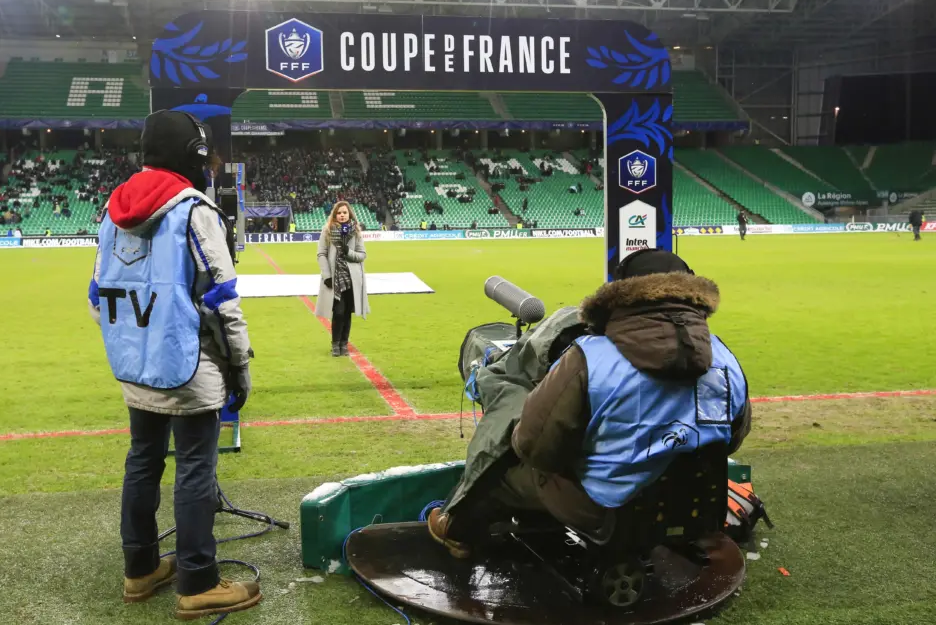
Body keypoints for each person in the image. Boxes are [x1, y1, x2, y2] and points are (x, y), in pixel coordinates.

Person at [428, 249, 752, 558]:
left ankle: (455, 530)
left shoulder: (589, 356)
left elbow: (535, 446)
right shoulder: (726, 358)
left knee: (503, 472)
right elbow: (732, 438)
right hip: (694, 505)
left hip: (604, 509)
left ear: (619, 294)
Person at [87, 110, 260, 619]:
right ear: (193, 156)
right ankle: (198, 581)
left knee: (142, 461)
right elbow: (224, 301)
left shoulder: (110, 210)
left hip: (133, 367)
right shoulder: (194, 210)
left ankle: (139, 570)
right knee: (194, 470)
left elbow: (97, 296)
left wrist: (134, 344)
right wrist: (240, 368)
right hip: (189, 367)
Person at [315, 201, 370, 357]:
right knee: (338, 312)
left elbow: (362, 255)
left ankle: (344, 344)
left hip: (353, 280)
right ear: (335, 215)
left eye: (345, 212)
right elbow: (321, 254)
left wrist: (348, 252)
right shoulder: (326, 232)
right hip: (334, 279)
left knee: (347, 313)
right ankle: (335, 345)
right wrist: (327, 275)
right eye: (339, 213)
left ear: (349, 214)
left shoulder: (356, 232)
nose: (342, 215)